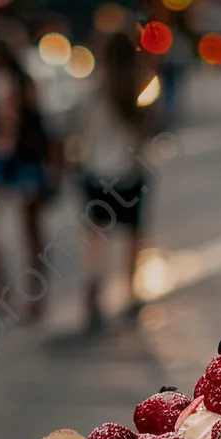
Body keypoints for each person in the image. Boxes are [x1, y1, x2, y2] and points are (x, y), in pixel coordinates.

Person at [71, 33, 151, 332]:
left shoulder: (92, 90)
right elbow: (149, 131)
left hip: (95, 174)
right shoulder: (138, 90)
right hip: (129, 173)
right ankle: (130, 292)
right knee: (131, 234)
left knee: (96, 236)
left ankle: (94, 284)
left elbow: (77, 130)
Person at [0, 40, 52, 318]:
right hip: (16, 162)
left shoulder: (12, 83)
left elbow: (9, 129)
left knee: (28, 229)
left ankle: (16, 293)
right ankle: (15, 292)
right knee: (22, 229)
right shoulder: (2, 82)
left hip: (19, 161)